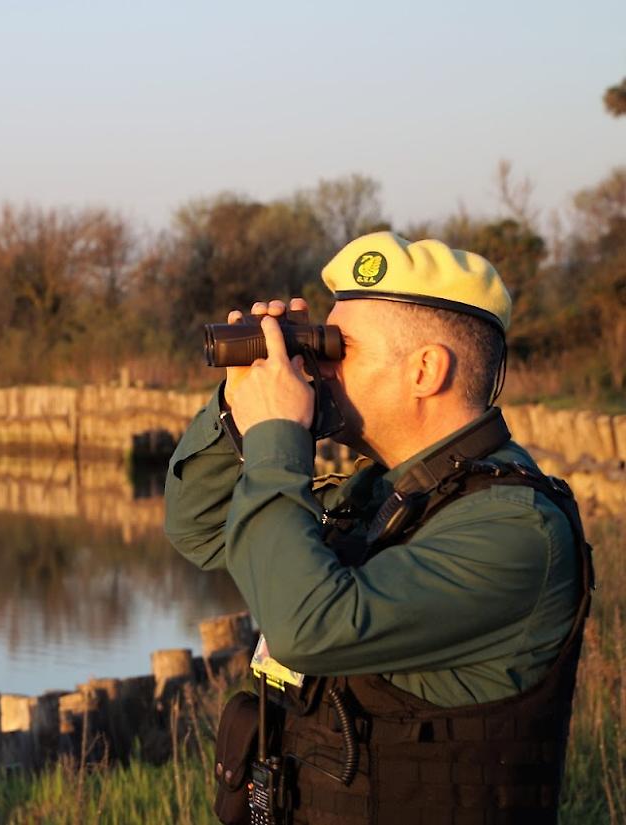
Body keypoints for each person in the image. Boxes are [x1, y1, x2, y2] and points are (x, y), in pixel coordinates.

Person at [164, 231, 592, 824]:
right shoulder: (383, 494)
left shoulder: (513, 530)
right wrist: (241, 415)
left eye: (338, 349)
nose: (316, 367)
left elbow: (307, 628)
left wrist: (278, 439)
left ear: (425, 370)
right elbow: (203, 529)